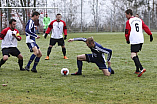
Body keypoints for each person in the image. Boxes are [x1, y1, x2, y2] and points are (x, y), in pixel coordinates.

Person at [125, 9, 153, 77]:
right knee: (135, 54)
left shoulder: (129, 21)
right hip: (140, 39)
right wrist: (150, 34)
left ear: (129, 14)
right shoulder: (139, 20)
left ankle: (141, 68)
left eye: (126, 15)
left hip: (134, 39)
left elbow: (127, 32)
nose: (125, 16)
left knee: (133, 55)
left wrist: (127, 39)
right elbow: (145, 27)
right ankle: (137, 70)